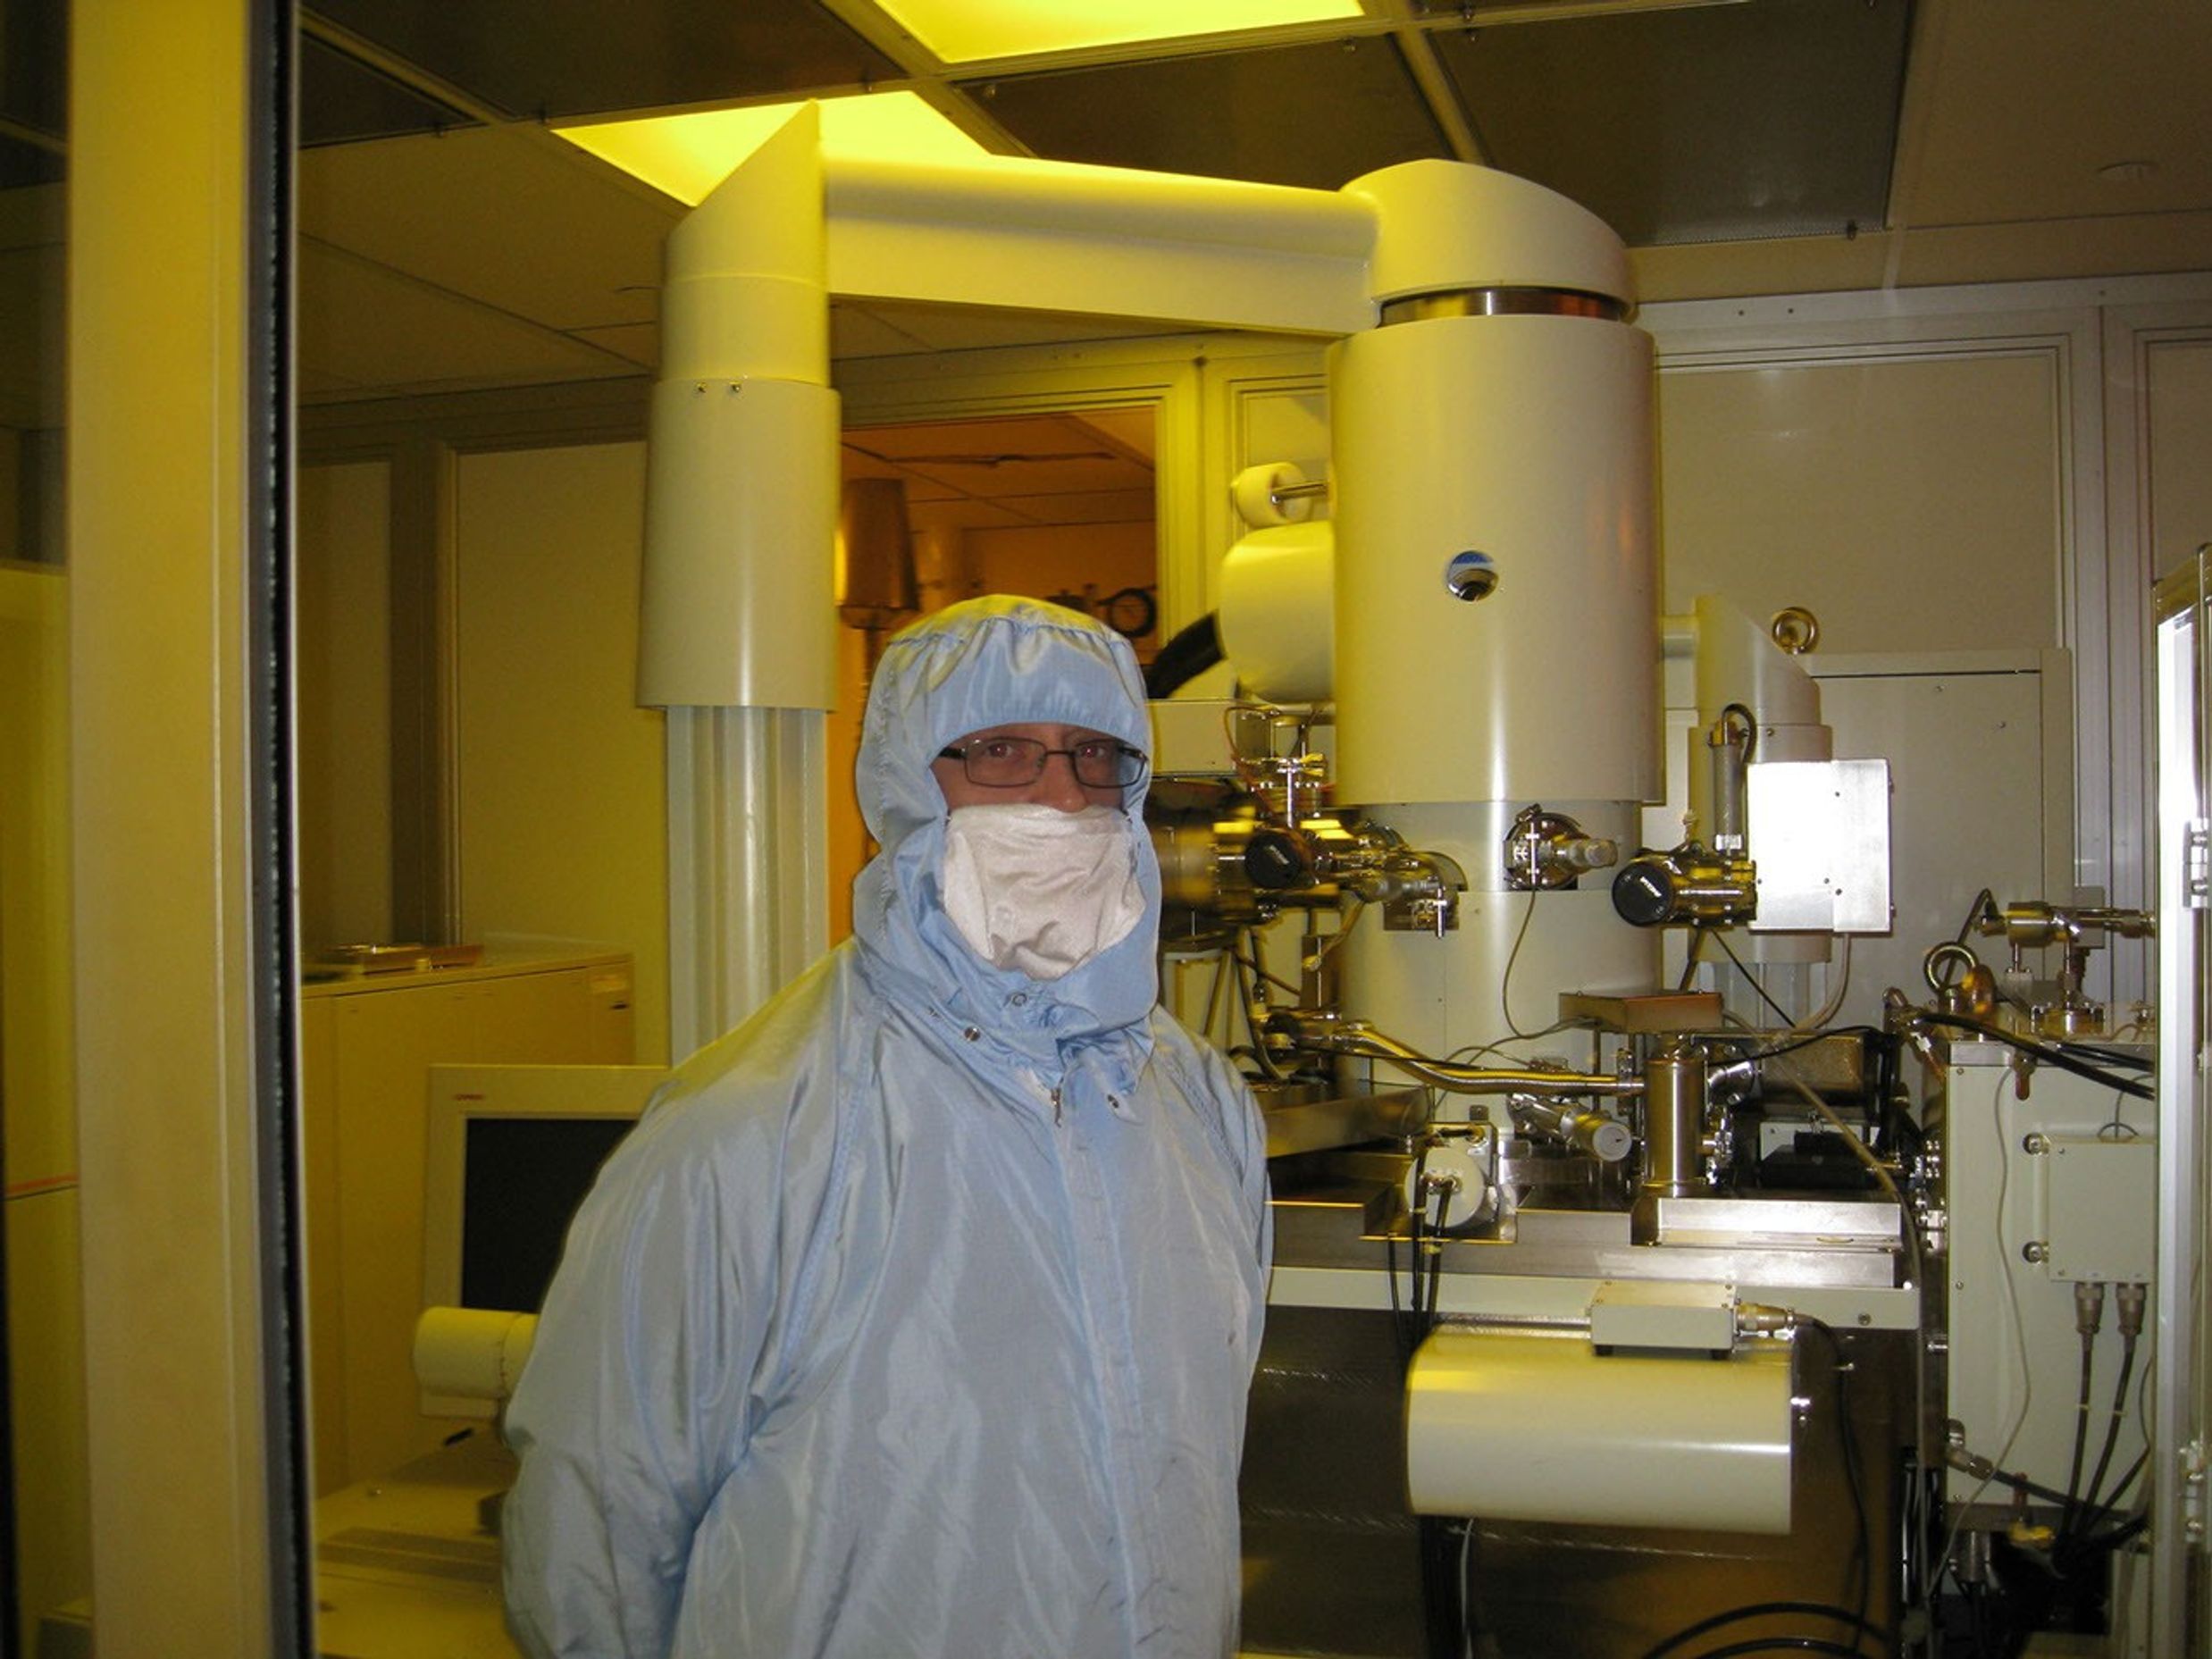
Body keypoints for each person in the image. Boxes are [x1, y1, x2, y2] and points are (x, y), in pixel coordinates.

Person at [502, 594, 1272, 1658]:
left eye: (1096, 756)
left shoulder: (1193, 1103)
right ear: (906, 783)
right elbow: (598, 1525)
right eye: (1001, 752)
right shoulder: (753, 1127)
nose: (1060, 795)